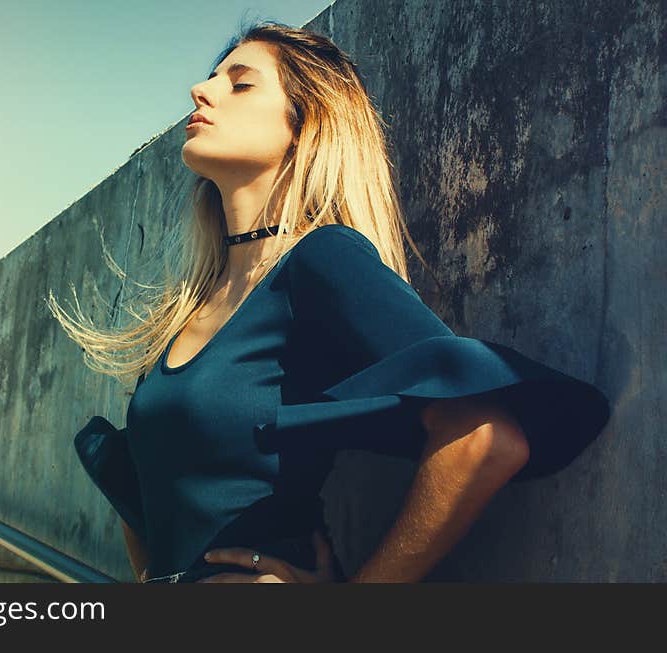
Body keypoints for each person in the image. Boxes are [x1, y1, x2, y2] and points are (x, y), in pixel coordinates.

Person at [47, 22, 611, 583]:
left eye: (240, 85)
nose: (201, 90)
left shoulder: (322, 258)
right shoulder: (189, 303)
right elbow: (147, 488)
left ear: (304, 124)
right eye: (211, 78)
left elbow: (484, 438)